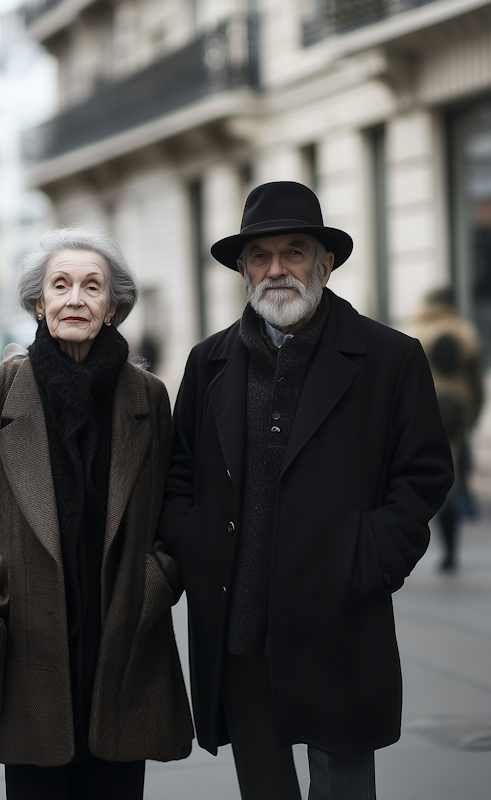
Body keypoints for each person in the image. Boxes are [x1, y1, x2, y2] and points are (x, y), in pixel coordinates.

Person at [158, 181, 453, 800]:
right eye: (260, 256)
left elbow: (424, 474)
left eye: (294, 252)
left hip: (339, 616)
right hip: (238, 622)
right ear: (242, 269)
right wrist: (199, 547)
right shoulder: (206, 363)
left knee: (344, 788)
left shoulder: (391, 358)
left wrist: (371, 555)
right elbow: (177, 474)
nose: (277, 270)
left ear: (326, 262)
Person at [0, 226, 193, 800]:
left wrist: (158, 578)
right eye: (61, 285)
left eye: (92, 287)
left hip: (122, 640)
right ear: (38, 302)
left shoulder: (147, 396)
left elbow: (178, 502)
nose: (76, 299)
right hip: (26, 645)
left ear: (112, 306)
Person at [407, 287, 485, 571]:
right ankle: (452, 550)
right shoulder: (465, 331)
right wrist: (472, 416)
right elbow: (475, 383)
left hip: (425, 410)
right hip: (456, 412)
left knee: (422, 472)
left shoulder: (413, 331)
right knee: (451, 475)